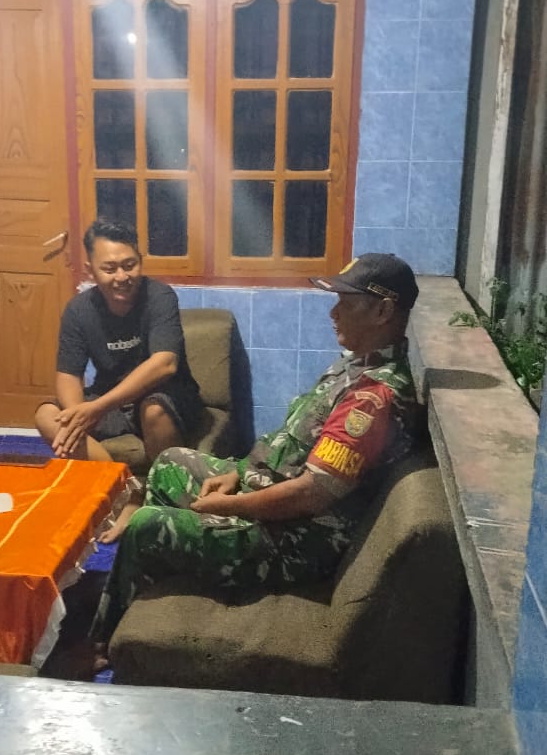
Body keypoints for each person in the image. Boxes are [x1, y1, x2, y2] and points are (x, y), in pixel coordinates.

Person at [91, 252, 421, 661]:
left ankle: (102, 642)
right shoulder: (354, 368)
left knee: (146, 525)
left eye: (347, 303)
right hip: (275, 505)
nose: (334, 313)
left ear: (383, 311)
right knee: (170, 463)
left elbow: (309, 495)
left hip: (294, 541)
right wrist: (239, 472)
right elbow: (288, 445)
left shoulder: (373, 399)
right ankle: (159, 578)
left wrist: (229, 506)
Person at [36, 219, 202, 465]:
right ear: (90, 270)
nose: (122, 276)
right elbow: (68, 374)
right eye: (110, 269)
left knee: (154, 410)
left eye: (129, 265)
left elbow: (165, 364)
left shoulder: (159, 296)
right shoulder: (78, 310)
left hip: (162, 395)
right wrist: (76, 416)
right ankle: (119, 481)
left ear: (140, 261)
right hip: (111, 401)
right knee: (47, 416)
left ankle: (164, 482)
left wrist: (97, 409)